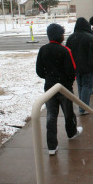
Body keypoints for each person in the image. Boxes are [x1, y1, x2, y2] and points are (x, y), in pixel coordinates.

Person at [36, 23, 83, 156]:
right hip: (64, 88)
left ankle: (52, 145)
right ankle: (71, 132)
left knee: (51, 116)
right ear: (59, 35)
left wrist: (49, 77)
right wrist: (67, 81)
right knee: (68, 113)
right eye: (63, 33)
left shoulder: (43, 49)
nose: (64, 36)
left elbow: (39, 71)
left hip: (49, 88)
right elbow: (71, 71)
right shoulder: (65, 50)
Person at [66, 17, 93, 115]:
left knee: (80, 86)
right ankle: (83, 108)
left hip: (76, 66)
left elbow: (67, 53)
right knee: (87, 86)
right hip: (89, 66)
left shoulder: (71, 37)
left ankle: (82, 106)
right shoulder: (90, 37)